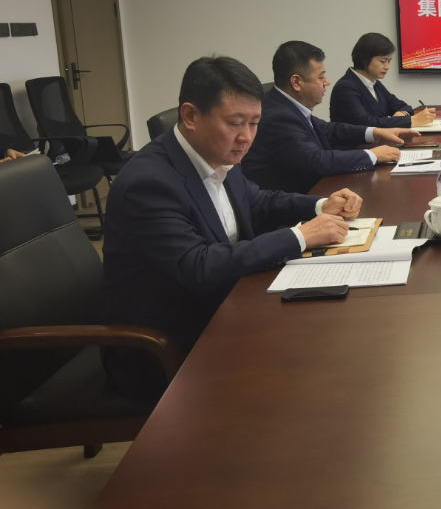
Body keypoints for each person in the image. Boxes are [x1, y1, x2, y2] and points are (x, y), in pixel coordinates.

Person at [100, 56, 361, 405]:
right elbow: (198, 265)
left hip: (226, 309)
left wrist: (320, 205)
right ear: (190, 116)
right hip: (170, 344)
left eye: (254, 123)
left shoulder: (218, 152)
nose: (246, 137)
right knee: (315, 374)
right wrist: (301, 236)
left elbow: (258, 200)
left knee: (336, 337)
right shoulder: (148, 183)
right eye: (236, 123)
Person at [244, 41, 414, 193]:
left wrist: (377, 132)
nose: (327, 82)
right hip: (292, 205)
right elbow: (316, 161)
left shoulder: (287, 106)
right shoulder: (278, 117)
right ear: (296, 82)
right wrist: (372, 155)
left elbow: (329, 129)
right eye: (321, 76)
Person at [329, 32, 437, 129]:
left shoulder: (375, 84)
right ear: (365, 59)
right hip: (355, 144)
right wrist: (409, 120)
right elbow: (364, 123)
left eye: (389, 61)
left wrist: (402, 114)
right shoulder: (346, 87)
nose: (387, 67)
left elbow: (404, 106)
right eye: (383, 61)